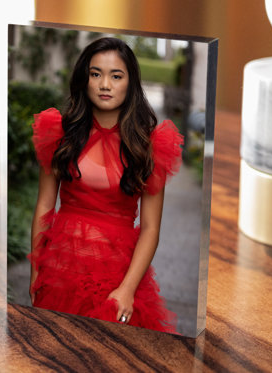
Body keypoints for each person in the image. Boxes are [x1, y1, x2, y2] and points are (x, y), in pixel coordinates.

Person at [28, 37, 183, 333]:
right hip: (60, 270)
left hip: (117, 277)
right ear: (84, 79)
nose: (104, 84)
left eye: (116, 76)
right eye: (95, 73)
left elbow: (151, 229)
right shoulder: (58, 133)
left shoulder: (151, 146)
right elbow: (45, 205)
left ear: (130, 83)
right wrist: (37, 272)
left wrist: (127, 290)